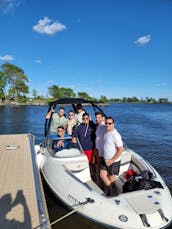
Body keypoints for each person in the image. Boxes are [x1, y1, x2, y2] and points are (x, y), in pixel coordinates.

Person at [100, 117, 123, 196]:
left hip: (113, 161)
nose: (107, 125)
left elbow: (120, 149)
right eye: (106, 123)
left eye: (110, 123)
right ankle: (110, 191)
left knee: (111, 179)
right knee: (102, 175)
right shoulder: (107, 132)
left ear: (113, 124)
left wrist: (112, 160)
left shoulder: (116, 135)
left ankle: (114, 193)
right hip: (105, 159)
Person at [72, 113, 96, 179]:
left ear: (89, 119)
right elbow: (74, 137)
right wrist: (74, 140)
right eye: (84, 119)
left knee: (92, 164)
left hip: (91, 149)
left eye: (87, 118)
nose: (85, 120)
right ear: (82, 119)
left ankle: (93, 176)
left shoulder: (93, 126)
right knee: (84, 165)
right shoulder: (79, 127)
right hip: (82, 150)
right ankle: (87, 177)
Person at [95, 111, 106, 186]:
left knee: (101, 168)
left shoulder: (103, 126)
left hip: (102, 151)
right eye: (96, 117)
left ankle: (100, 183)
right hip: (97, 149)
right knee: (98, 166)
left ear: (102, 118)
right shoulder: (98, 126)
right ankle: (98, 181)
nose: (97, 119)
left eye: (99, 117)